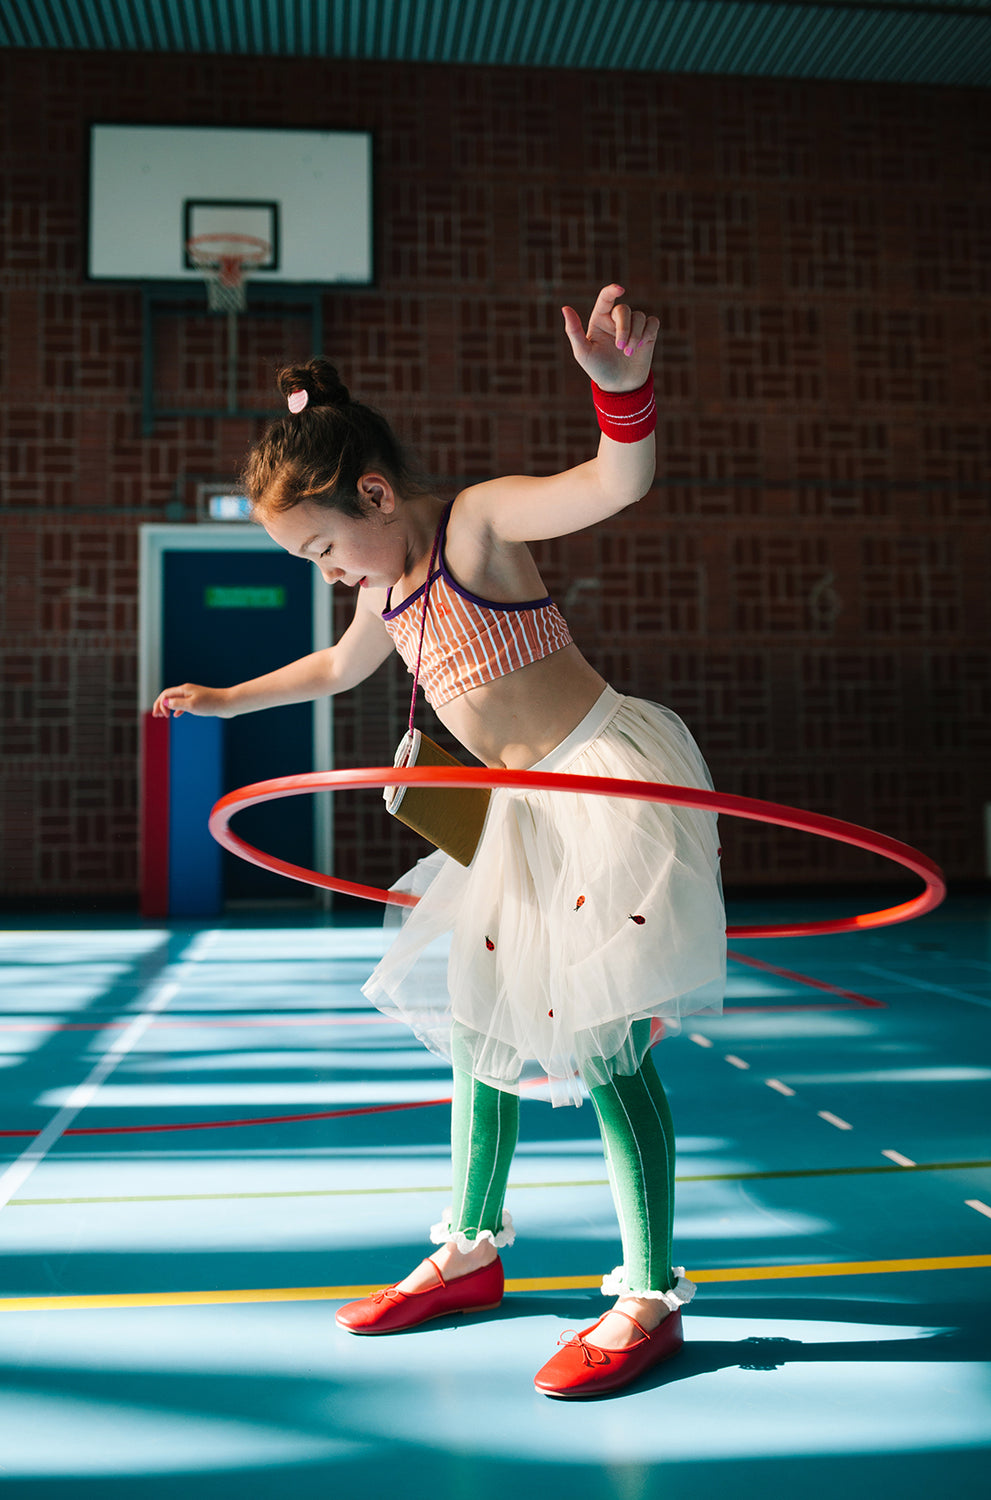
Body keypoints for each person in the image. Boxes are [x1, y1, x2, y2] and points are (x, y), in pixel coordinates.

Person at [153, 284, 726, 1398]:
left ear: (373, 492)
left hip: (601, 782)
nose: (326, 573)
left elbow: (614, 484)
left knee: (605, 1044)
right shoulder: (384, 585)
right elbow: (332, 669)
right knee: (479, 1027)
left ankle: (649, 1292)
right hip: (516, 809)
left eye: (324, 546)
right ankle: (469, 1249)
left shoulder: (475, 524)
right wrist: (223, 698)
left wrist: (622, 398)